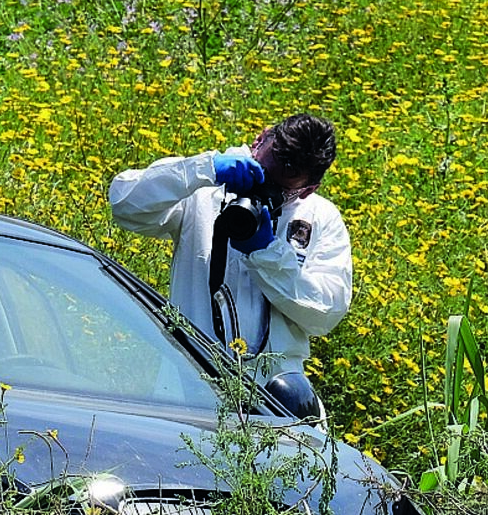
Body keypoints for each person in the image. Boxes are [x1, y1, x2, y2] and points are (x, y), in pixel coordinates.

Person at [109, 113, 352, 420]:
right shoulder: (204, 189)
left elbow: (326, 312)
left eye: (278, 188)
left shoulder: (321, 218)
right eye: (262, 172)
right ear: (260, 139)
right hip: (187, 384)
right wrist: (204, 169)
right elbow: (124, 204)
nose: (262, 189)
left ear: (308, 189)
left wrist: (267, 254)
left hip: (277, 398)